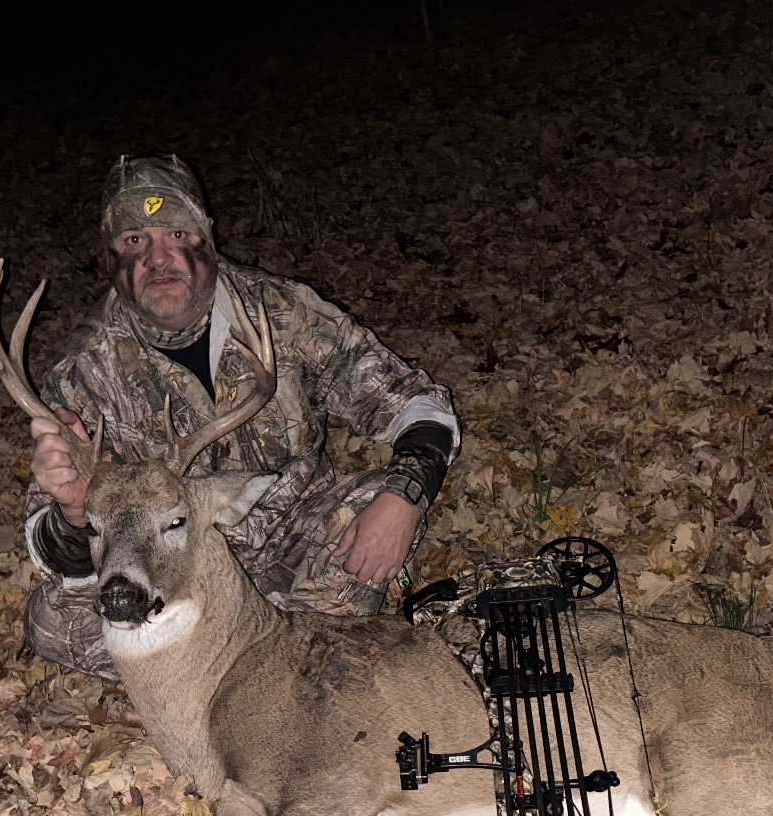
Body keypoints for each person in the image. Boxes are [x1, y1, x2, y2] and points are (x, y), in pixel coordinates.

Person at [22, 155, 458, 682]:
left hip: (295, 540)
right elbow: (50, 548)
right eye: (135, 241)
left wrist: (406, 493)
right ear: (111, 257)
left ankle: (222, 674)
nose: (159, 259)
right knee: (52, 619)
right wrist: (71, 513)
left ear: (207, 238)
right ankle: (261, 674)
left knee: (377, 508)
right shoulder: (83, 372)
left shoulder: (282, 311)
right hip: (167, 568)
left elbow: (417, 404)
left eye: (177, 234)